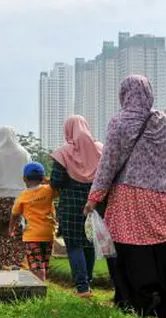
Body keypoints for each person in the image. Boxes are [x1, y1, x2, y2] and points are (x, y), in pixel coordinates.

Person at [84, 75, 166, 318]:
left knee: (130, 254)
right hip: (165, 201)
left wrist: (94, 197)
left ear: (124, 94)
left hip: (129, 200)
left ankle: (138, 304)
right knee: (163, 253)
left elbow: (108, 164)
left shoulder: (119, 122)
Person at [51, 115, 103, 298]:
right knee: (88, 243)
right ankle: (87, 282)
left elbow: (56, 181)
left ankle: (82, 288)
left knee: (74, 244)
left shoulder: (63, 153)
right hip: (94, 202)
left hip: (71, 203)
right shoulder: (100, 150)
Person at [0, 126, 31, 269]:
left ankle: (1, 261)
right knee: (17, 230)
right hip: (19, 197)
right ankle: (16, 261)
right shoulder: (24, 153)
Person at [10, 162, 56, 281]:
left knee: (36, 263)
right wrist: (46, 180)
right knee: (44, 262)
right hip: (48, 233)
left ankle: (39, 287)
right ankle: (42, 282)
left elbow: (15, 215)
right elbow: (55, 184)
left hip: (32, 235)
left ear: (24, 178)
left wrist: (11, 228)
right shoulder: (49, 190)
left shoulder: (23, 196)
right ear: (42, 177)